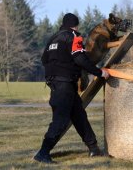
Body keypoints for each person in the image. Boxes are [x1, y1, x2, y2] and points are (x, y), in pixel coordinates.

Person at [34, 13, 109, 164]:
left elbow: (44, 60)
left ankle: (94, 149)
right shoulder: (73, 36)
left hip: (55, 83)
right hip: (65, 84)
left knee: (79, 116)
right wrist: (99, 72)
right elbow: (80, 58)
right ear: (75, 26)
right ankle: (43, 153)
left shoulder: (52, 39)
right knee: (60, 121)